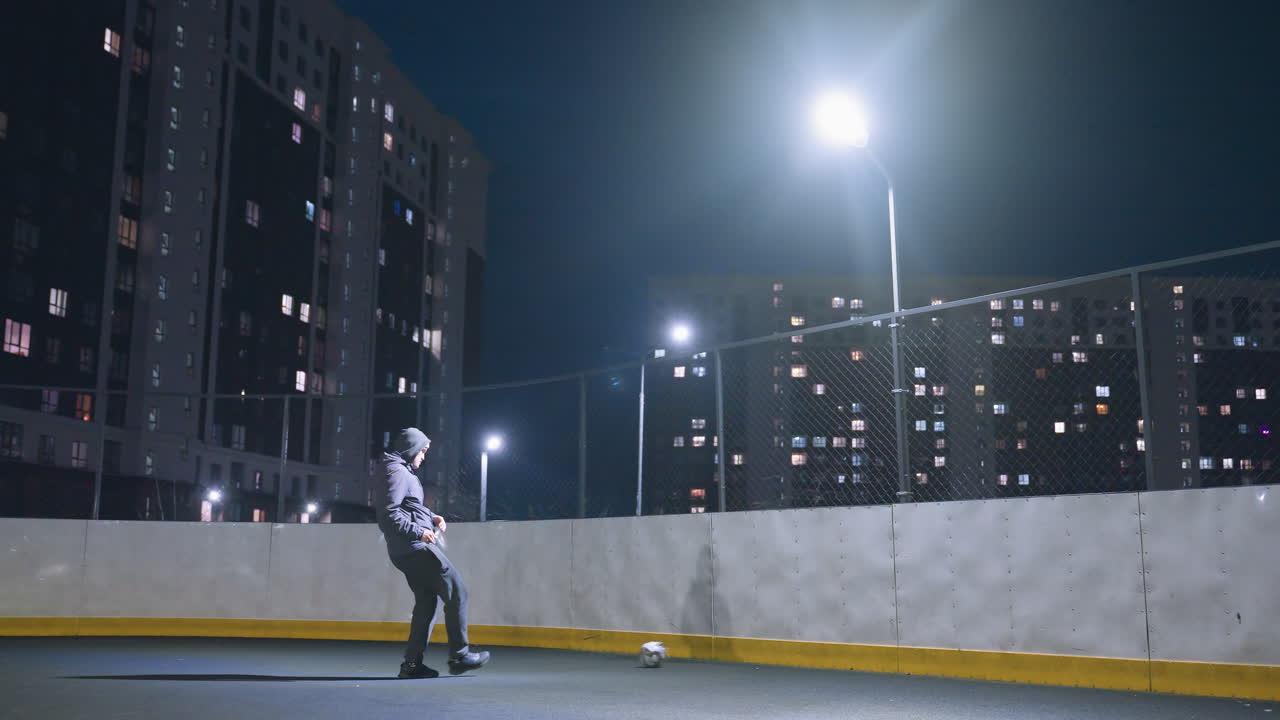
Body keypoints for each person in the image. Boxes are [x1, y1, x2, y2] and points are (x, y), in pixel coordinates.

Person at [375, 427, 490, 679]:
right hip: (415, 548)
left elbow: (408, 506)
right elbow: (388, 514)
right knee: (458, 591)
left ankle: (411, 665)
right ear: (411, 449)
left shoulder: (400, 470)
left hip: (406, 551)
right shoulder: (396, 472)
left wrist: (431, 517)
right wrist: (419, 532)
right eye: (423, 451)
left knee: (427, 603)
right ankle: (460, 655)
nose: (424, 456)